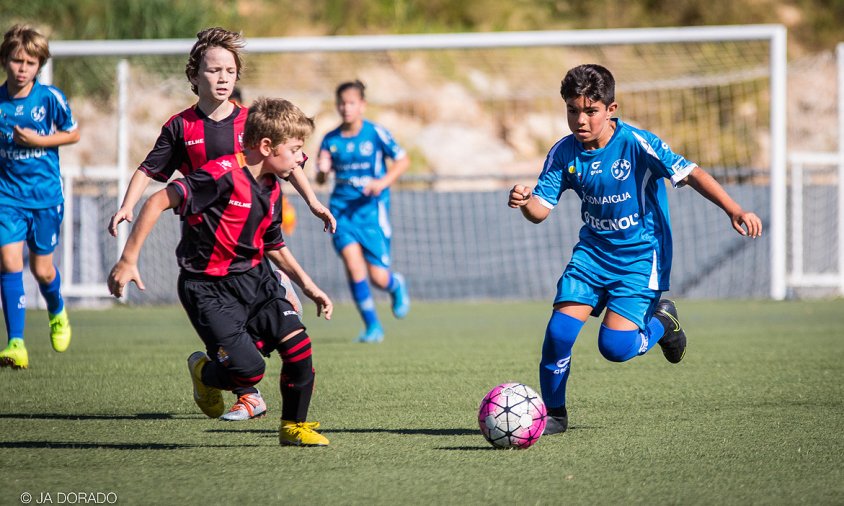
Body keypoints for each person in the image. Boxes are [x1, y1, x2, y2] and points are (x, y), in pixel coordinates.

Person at [508, 64, 763, 435]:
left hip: (640, 259)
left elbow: (690, 173)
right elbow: (540, 213)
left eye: (590, 111)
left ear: (611, 109)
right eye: (572, 110)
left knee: (614, 347)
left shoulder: (637, 143)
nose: (581, 119)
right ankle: (555, 415)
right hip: (592, 255)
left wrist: (734, 208)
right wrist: (525, 200)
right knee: (558, 334)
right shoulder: (563, 153)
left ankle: (663, 322)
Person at [107, 28, 332, 419]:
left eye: (230, 70)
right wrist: (128, 205)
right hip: (207, 244)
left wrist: (312, 201)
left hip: (253, 244)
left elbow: (290, 160)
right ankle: (244, 387)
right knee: (232, 330)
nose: (223, 77)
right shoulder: (181, 127)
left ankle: (254, 394)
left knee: (282, 322)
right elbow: (150, 172)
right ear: (195, 76)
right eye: (214, 70)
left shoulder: (254, 123)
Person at [0, 25, 79, 369]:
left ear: (39, 65)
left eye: (30, 62)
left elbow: (73, 134)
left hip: (46, 198)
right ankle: (16, 343)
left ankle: (56, 309)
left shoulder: (49, 98)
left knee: (42, 270)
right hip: (7, 198)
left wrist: (37, 141)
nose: (22, 68)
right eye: (17, 60)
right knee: (8, 262)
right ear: (4, 61)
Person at [316, 80, 410, 343]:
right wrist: (322, 171)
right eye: (342, 104)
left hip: (371, 213)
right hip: (341, 213)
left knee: (378, 278)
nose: (346, 108)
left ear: (362, 105)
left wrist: (381, 183)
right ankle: (372, 327)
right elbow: (321, 180)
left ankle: (395, 284)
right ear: (337, 106)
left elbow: (403, 160)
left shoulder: (375, 133)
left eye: (351, 103)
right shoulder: (330, 139)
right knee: (353, 266)